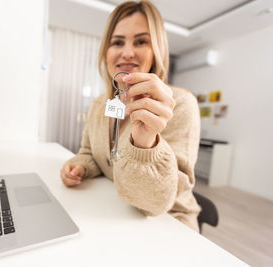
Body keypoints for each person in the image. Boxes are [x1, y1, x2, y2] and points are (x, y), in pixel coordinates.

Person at [60, 0, 201, 232]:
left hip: (170, 226)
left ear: (156, 51)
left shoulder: (181, 104)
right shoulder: (99, 104)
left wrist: (145, 143)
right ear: (106, 52)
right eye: (117, 42)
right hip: (116, 215)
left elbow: (158, 204)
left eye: (141, 41)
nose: (127, 52)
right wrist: (80, 167)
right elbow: (89, 153)